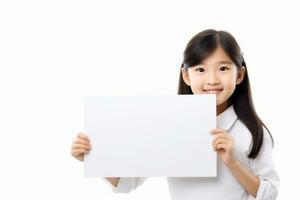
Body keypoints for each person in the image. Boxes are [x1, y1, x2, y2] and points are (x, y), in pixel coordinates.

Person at [71, 29, 279, 199]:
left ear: (240, 74)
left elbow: (269, 195)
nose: (212, 79)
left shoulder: (252, 131)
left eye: (223, 68)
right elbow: (128, 183)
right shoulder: (169, 123)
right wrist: (94, 157)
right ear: (186, 76)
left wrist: (233, 163)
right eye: (200, 70)